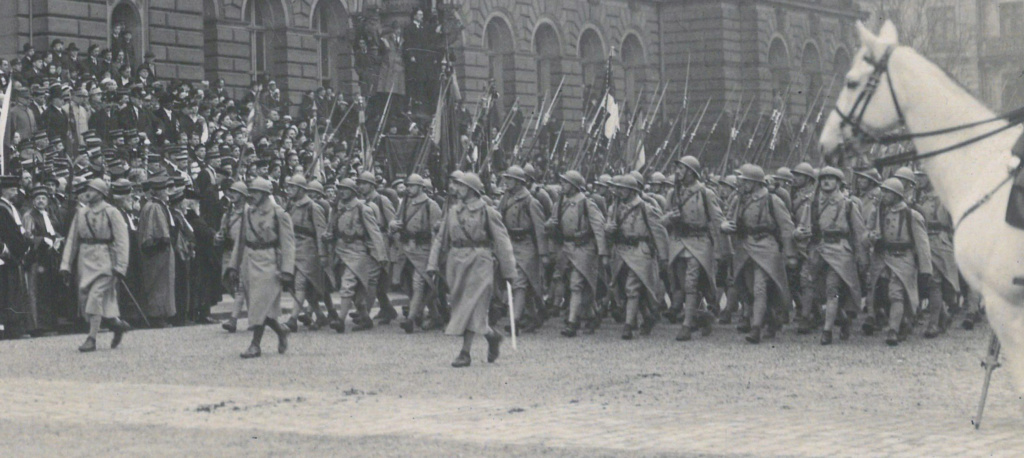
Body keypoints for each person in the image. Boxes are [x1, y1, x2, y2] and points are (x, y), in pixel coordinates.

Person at [428, 172, 513, 367]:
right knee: (461, 304)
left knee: (472, 304)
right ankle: (492, 336)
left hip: (480, 261)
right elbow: (441, 238)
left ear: (472, 190)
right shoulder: (452, 211)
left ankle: (464, 353)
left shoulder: (487, 212)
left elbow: (502, 241)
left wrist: (509, 271)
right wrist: (432, 264)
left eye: (461, 186)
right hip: (456, 262)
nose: (455, 189)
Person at [721, 164, 796, 344]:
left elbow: (786, 227)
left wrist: (790, 253)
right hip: (745, 247)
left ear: (754, 183)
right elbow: (728, 218)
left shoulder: (771, 200)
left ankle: (756, 328)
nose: (741, 183)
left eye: (745, 180)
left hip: (766, 246)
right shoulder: (738, 199)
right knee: (749, 288)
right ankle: (770, 319)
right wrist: (724, 226)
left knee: (760, 287)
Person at [793, 167, 867, 345]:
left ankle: (827, 331)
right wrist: (798, 233)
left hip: (839, 251)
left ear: (838, 183)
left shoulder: (848, 204)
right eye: (824, 178)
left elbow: (859, 234)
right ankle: (842, 318)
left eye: (831, 179)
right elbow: (802, 226)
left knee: (832, 289)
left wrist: (862, 257)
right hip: (818, 251)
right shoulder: (812, 203)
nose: (826, 181)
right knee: (816, 291)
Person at [224, 178, 294, 358]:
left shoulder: (279, 213)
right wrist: (233, 265)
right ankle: (280, 330)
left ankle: (255, 345)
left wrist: (287, 270)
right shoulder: (247, 213)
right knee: (258, 305)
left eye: (255, 192)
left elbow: (288, 244)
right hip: (249, 259)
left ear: (265, 194)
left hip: (269, 260)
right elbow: (240, 241)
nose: (251, 195)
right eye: (250, 191)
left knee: (259, 303)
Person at [59, 179, 131, 352]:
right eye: (87, 189)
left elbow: (122, 240)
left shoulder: (111, 212)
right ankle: (117, 324)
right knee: (86, 298)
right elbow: (72, 240)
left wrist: (121, 266)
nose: (88, 192)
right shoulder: (81, 213)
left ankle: (91, 338)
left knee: (95, 297)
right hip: (85, 260)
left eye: (92, 189)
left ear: (101, 193)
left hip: (105, 259)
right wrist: (65, 265)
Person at [662, 156, 724, 341]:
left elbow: (717, 218)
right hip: (679, 242)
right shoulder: (673, 194)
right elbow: (663, 220)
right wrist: (669, 218)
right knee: (683, 284)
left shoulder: (705, 193)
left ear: (691, 172)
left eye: (682, 168)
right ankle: (703, 316)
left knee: (690, 283)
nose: (678, 172)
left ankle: (687, 325)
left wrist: (724, 236)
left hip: (699, 242)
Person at [864, 178, 931, 346]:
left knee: (897, 294)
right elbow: (866, 233)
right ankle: (901, 322)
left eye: (888, 192)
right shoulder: (879, 213)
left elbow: (923, 245)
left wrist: (925, 270)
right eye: (883, 191)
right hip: (882, 258)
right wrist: (871, 237)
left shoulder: (912, 216)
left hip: (903, 259)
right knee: (881, 293)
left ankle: (893, 329)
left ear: (897, 195)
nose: (884, 195)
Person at [605, 174, 669, 340]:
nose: (620, 192)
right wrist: (609, 229)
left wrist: (663, 257)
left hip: (639, 251)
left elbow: (659, 231)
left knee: (631, 287)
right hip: (620, 252)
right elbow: (608, 230)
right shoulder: (614, 208)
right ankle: (648, 315)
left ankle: (628, 326)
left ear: (632, 191)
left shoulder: (645, 208)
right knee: (622, 287)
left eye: (623, 189)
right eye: (619, 189)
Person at [545, 170, 607, 337]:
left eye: (565, 183)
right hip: (565, 248)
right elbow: (552, 226)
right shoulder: (559, 203)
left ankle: (572, 322)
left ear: (574, 186)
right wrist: (549, 225)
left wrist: (602, 252)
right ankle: (592, 315)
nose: (562, 185)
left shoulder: (587, 203)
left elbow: (599, 227)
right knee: (577, 285)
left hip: (583, 248)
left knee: (576, 284)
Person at [325, 178, 388, 333]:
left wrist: (381, 255)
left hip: (357, 252)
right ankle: (366, 319)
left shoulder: (363, 208)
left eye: (346, 189)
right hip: (340, 252)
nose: (342, 191)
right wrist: (326, 236)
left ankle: (340, 320)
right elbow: (331, 230)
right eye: (340, 188)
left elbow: (375, 233)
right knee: (357, 294)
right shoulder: (337, 209)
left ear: (353, 192)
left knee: (347, 285)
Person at [498, 166, 549, 333]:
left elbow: (540, 230)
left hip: (526, 245)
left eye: (510, 179)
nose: (506, 182)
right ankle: (535, 314)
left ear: (519, 182)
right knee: (523, 284)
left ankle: (515, 321)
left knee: (520, 283)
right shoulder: (505, 199)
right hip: (511, 244)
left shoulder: (530, 201)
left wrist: (543, 254)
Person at [391, 174, 443, 333]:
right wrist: (393, 224)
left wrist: (435, 257)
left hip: (423, 250)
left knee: (419, 283)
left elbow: (437, 233)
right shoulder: (405, 203)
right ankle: (436, 316)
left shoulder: (431, 205)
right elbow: (395, 220)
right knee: (408, 285)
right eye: (407, 186)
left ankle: (411, 319)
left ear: (421, 187)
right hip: (407, 249)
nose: (408, 189)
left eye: (412, 186)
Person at [915, 172, 958, 338]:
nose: (919, 180)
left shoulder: (941, 197)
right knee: (932, 283)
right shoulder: (920, 197)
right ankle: (940, 318)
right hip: (924, 242)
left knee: (937, 283)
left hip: (939, 242)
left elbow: (945, 221)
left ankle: (935, 322)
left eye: (922, 176)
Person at [284, 175, 329, 331]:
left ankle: (292, 319)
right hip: (292, 250)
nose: (289, 190)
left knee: (301, 283)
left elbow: (320, 232)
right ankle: (320, 316)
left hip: (309, 251)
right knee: (307, 289)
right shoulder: (290, 206)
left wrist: (323, 254)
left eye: (292, 187)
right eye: (288, 187)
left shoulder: (313, 207)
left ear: (301, 190)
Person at [22, 185, 64, 336]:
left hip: (51, 257)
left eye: (43, 198)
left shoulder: (50, 215)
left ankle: (51, 323)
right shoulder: (29, 216)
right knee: (38, 291)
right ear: (33, 201)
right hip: (37, 258)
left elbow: (55, 232)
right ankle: (40, 326)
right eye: (38, 198)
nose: (41, 201)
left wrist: (58, 239)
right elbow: (27, 236)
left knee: (50, 289)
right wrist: (42, 240)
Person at [138, 175, 176, 327]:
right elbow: (158, 232)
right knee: (159, 284)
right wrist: (164, 241)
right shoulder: (155, 207)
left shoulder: (154, 205)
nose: (167, 192)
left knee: (162, 283)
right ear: (159, 192)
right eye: (165, 190)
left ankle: (161, 314)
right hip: (158, 253)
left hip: (160, 252)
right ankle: (157, 315)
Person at [217, 180, 248, 333]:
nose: (232, 195)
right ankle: (257, 315)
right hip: (229, 252)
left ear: (243, 195)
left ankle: (233, 319)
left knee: (241, 286)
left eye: (236, 192)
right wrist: (219, 237)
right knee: (228, 281)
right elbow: (222, 231)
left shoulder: (248, 212)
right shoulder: (228, 212)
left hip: (243, 251)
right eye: (231, 192)